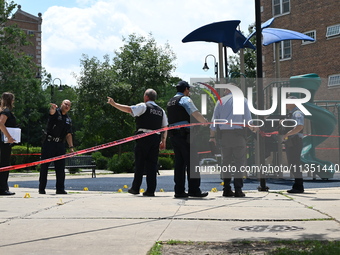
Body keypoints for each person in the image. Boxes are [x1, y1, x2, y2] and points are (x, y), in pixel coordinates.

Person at [107, 89, 168, 197]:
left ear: (146, 97)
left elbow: (129, 109)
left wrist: (114, 104)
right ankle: (150, 190)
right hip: (155, 138)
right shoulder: (161, 110)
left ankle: (135, 188)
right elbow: (164, 127)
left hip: (143, 137)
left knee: (139, 163)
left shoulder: (144, 106)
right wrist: (163, 141)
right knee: (152, 166)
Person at [209, 86, 257, 197]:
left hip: (224, 136)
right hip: (238, 136)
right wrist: (255, 130)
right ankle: (238, 189)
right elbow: (248, 120)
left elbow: (214, 122)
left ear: (227, 90)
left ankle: (226, 189)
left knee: (225, 162)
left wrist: (212, 137)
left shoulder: (220, 102)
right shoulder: (243, 100)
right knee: (239, 163)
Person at [167, 81, 208, 198]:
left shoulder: (170, 101)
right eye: (188, 90)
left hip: (174, 136)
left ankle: (179, 191)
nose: (189, 92)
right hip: (186, 135)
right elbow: (195, 113)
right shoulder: (185, 99)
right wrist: (204, 122)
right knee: (193, 162)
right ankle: (194, 190)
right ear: (186, 89)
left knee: (179, 164)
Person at [39, 100, 75, 194]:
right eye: (65, 104)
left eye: (69, 105)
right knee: (44, 166)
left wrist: (71, 147)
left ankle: (60, 189)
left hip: (60, 144)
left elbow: (68, 134)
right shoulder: (56, 113)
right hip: (49, 143)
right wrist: (52, 109)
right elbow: (51, 113)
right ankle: (42, 188)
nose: (67, 106)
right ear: (61, 104)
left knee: (60, 168)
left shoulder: (68, 119)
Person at [281, 96, 305, 193]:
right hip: (291, 141)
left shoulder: (297, 113)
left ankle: (299, 186)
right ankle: (297, 185)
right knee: (292, 163)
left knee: (294, 163)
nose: (285, 103)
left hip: (295, 141)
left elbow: (299, 127)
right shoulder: (291, 114)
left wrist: (287, 134)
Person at [0, 92, 17, 196]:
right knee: (4, 164)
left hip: (4, 142)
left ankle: (3, 187)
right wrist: (9, 136)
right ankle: (3, 188)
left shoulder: (3, 110)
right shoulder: (6, 111)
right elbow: (1, 123)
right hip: (4, 142)